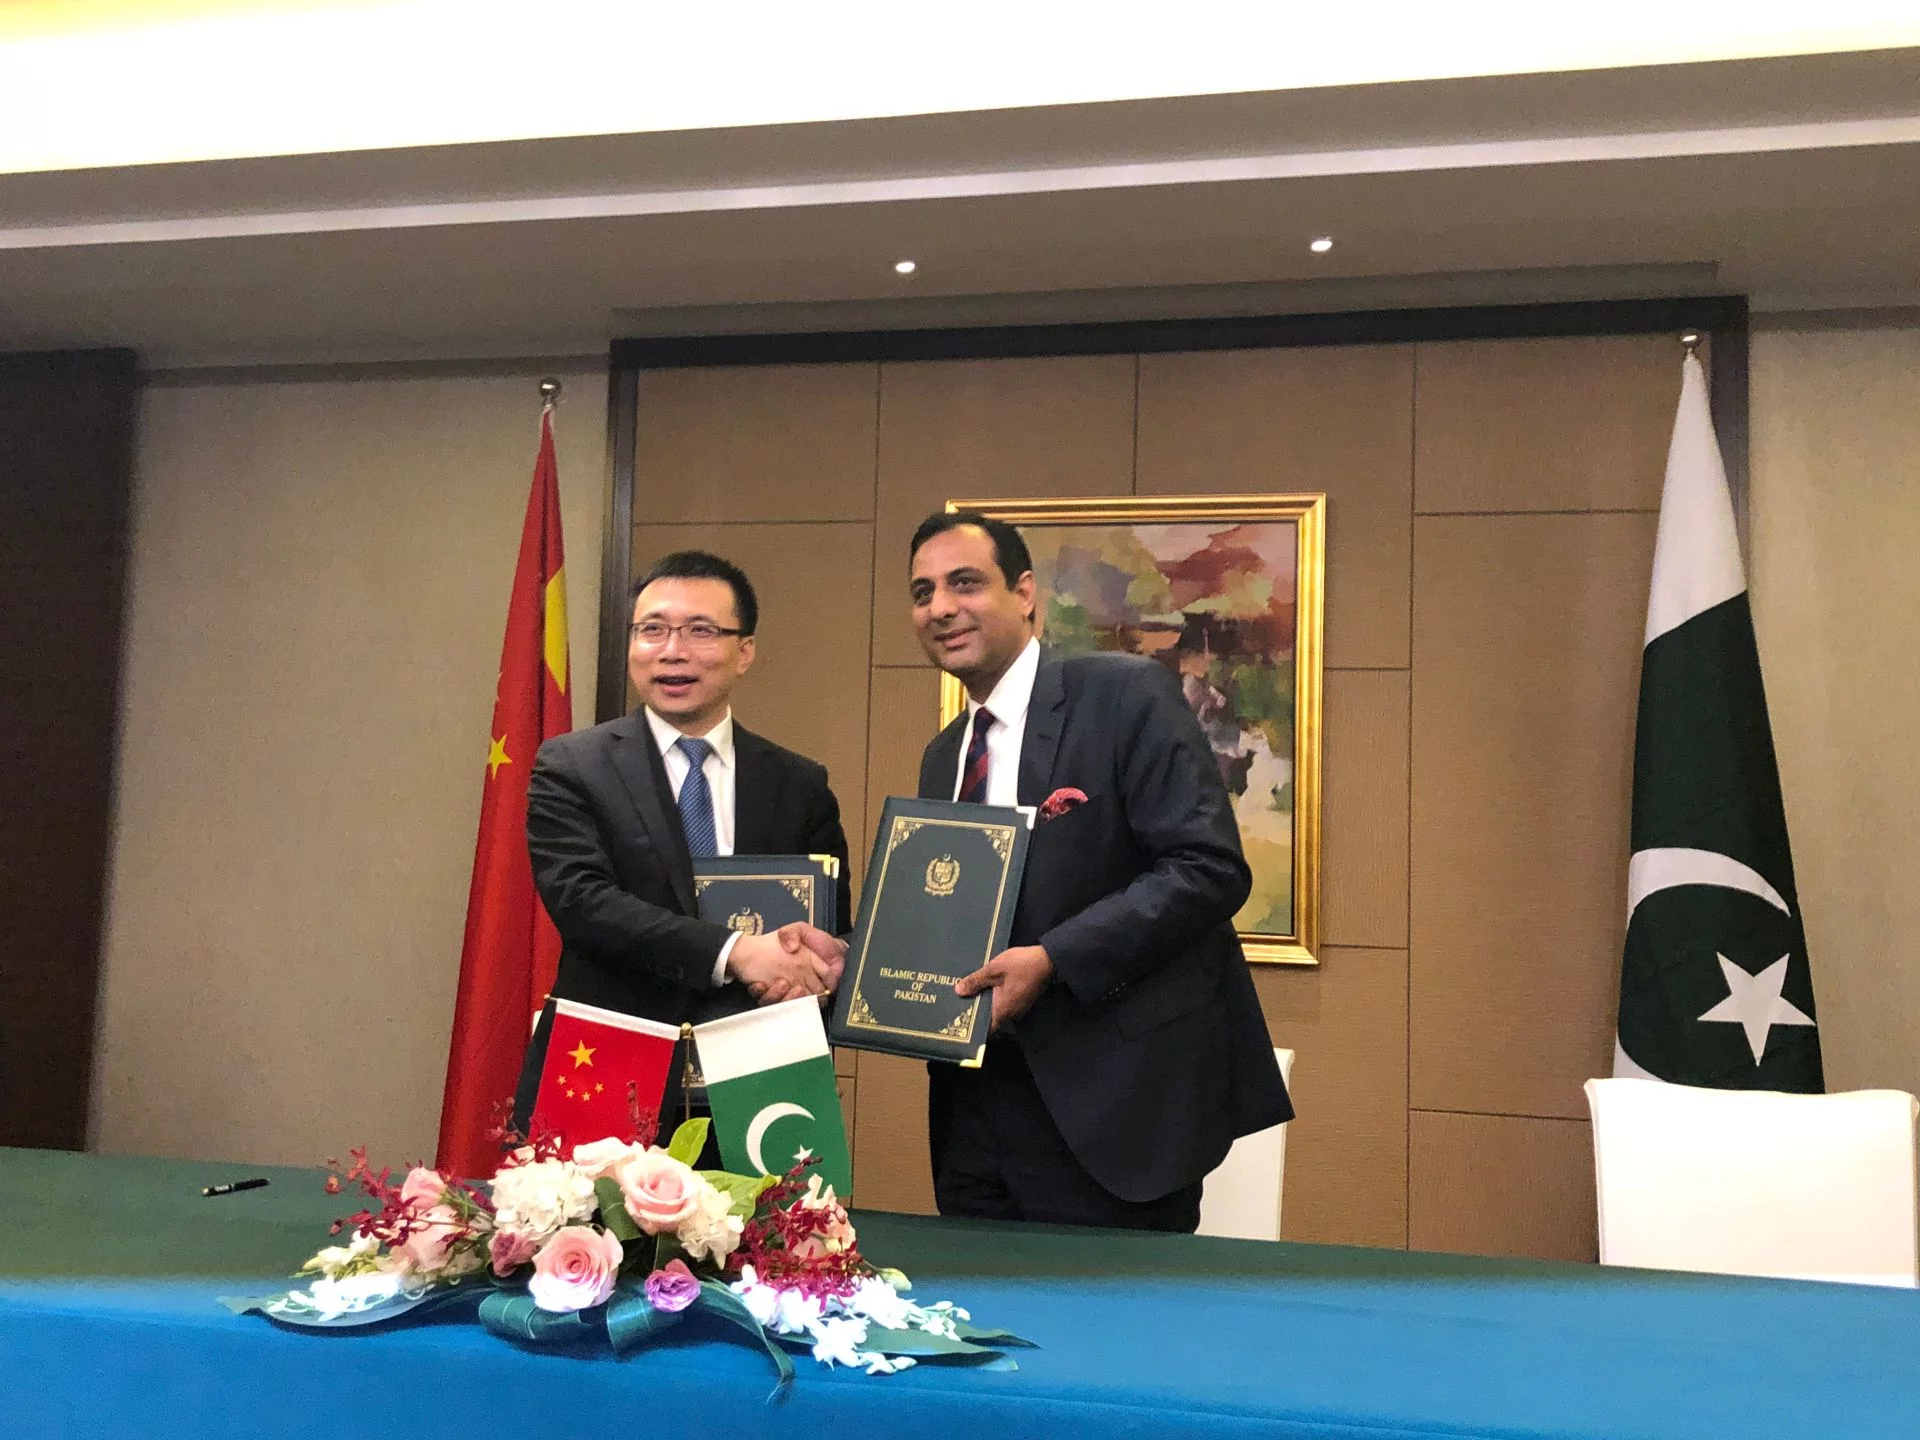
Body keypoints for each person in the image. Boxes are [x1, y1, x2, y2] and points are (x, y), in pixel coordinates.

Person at [908, 509, 1293, 1231]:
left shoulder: (1123, 695)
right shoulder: (945, 754)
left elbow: (1207, 867)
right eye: (923, 592)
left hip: (1117, 1109)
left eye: (965, 583)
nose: (941, 608)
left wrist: (1053, 959)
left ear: (1025, 593)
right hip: (975, 1118)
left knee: (1118, 1309)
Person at [513, 550, 849, 1136]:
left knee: (775, 1203)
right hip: (608, 1064)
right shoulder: (571, 766)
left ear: (745, 651)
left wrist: (815, 967)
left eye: (701, 631)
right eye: (653, 630)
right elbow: (582, 902)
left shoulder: (798, 784)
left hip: (761, 1076)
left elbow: (827, 923)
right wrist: (739, 952)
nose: (672, 650)